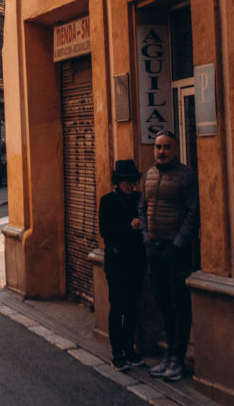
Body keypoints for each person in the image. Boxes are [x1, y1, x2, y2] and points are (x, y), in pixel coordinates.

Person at [138, 130, 199, 382]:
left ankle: (178, 358)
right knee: (164, 304)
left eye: (166, 147)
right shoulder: (149, 176)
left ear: (175, 150)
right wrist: (146, 236)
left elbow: (193, 213)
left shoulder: (186, 176)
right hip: (155, 249)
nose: (161, 152)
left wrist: (177, 243)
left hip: (177, 252)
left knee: (180, 306)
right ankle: (169, 356)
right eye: (158, 147)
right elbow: (143, 207)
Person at [99, 159, 146, 371]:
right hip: (117, 261)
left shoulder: (139, 199)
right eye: (125, 181)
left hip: (136, 260)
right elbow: (105, 232)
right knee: (117, 306)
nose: (130, 184)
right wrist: (129, 226)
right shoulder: (108, 201)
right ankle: (117, 352)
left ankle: (129, 348)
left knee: (133, 307)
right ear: (118, 181)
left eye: (132, 180)